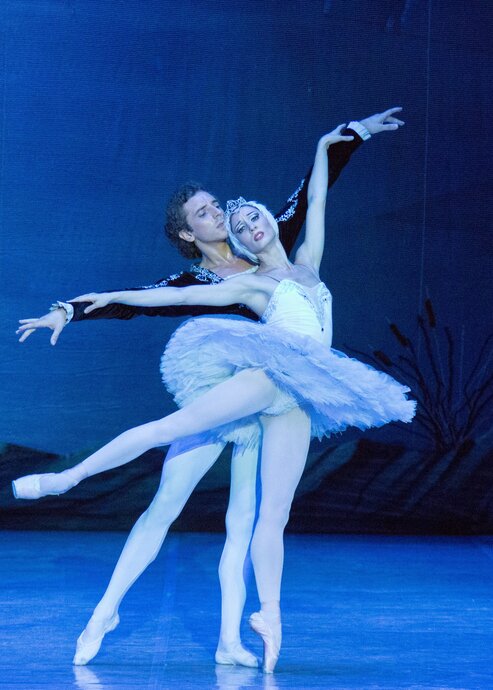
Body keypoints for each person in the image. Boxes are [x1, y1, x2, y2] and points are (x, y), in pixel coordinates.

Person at [14, 122, 415, 672]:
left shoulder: (266, 248)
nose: (225, 217)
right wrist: (71, 308)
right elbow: (141, 300)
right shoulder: (206, 281)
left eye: (220, 207)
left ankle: (230, 639)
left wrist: (345, 138)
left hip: (277, 398)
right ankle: (103, 610)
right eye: (205, 213)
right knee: (165, 503)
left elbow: (312, 197)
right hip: (231, 388)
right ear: (187, 233)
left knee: (245, 520)